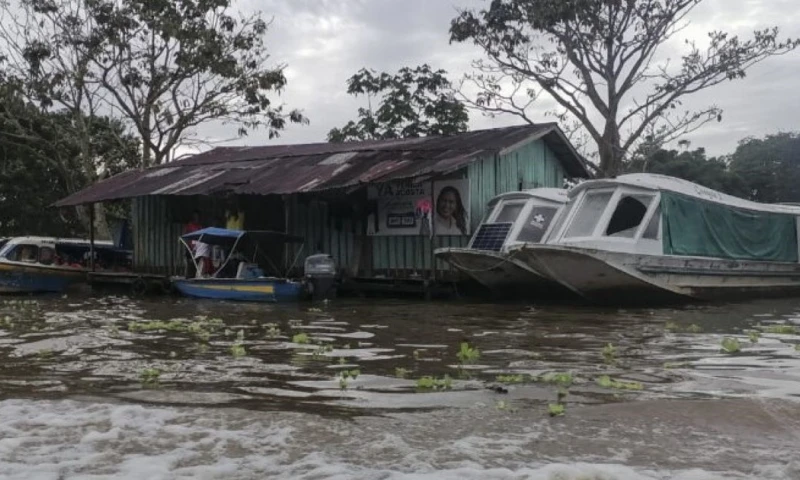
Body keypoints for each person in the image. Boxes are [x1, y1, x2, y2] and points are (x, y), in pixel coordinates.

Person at [183, 210, 202, 278]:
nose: (196, 218)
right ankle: (188, 277)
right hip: (190, 248)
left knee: (196, 264)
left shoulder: (199, 227)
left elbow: (201, 237)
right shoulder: (189, 226)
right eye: (195, 217)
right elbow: (186, 236)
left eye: (197, 217)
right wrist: (190, 247)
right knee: (190, 264)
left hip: (197, 248)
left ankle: (193, 277)